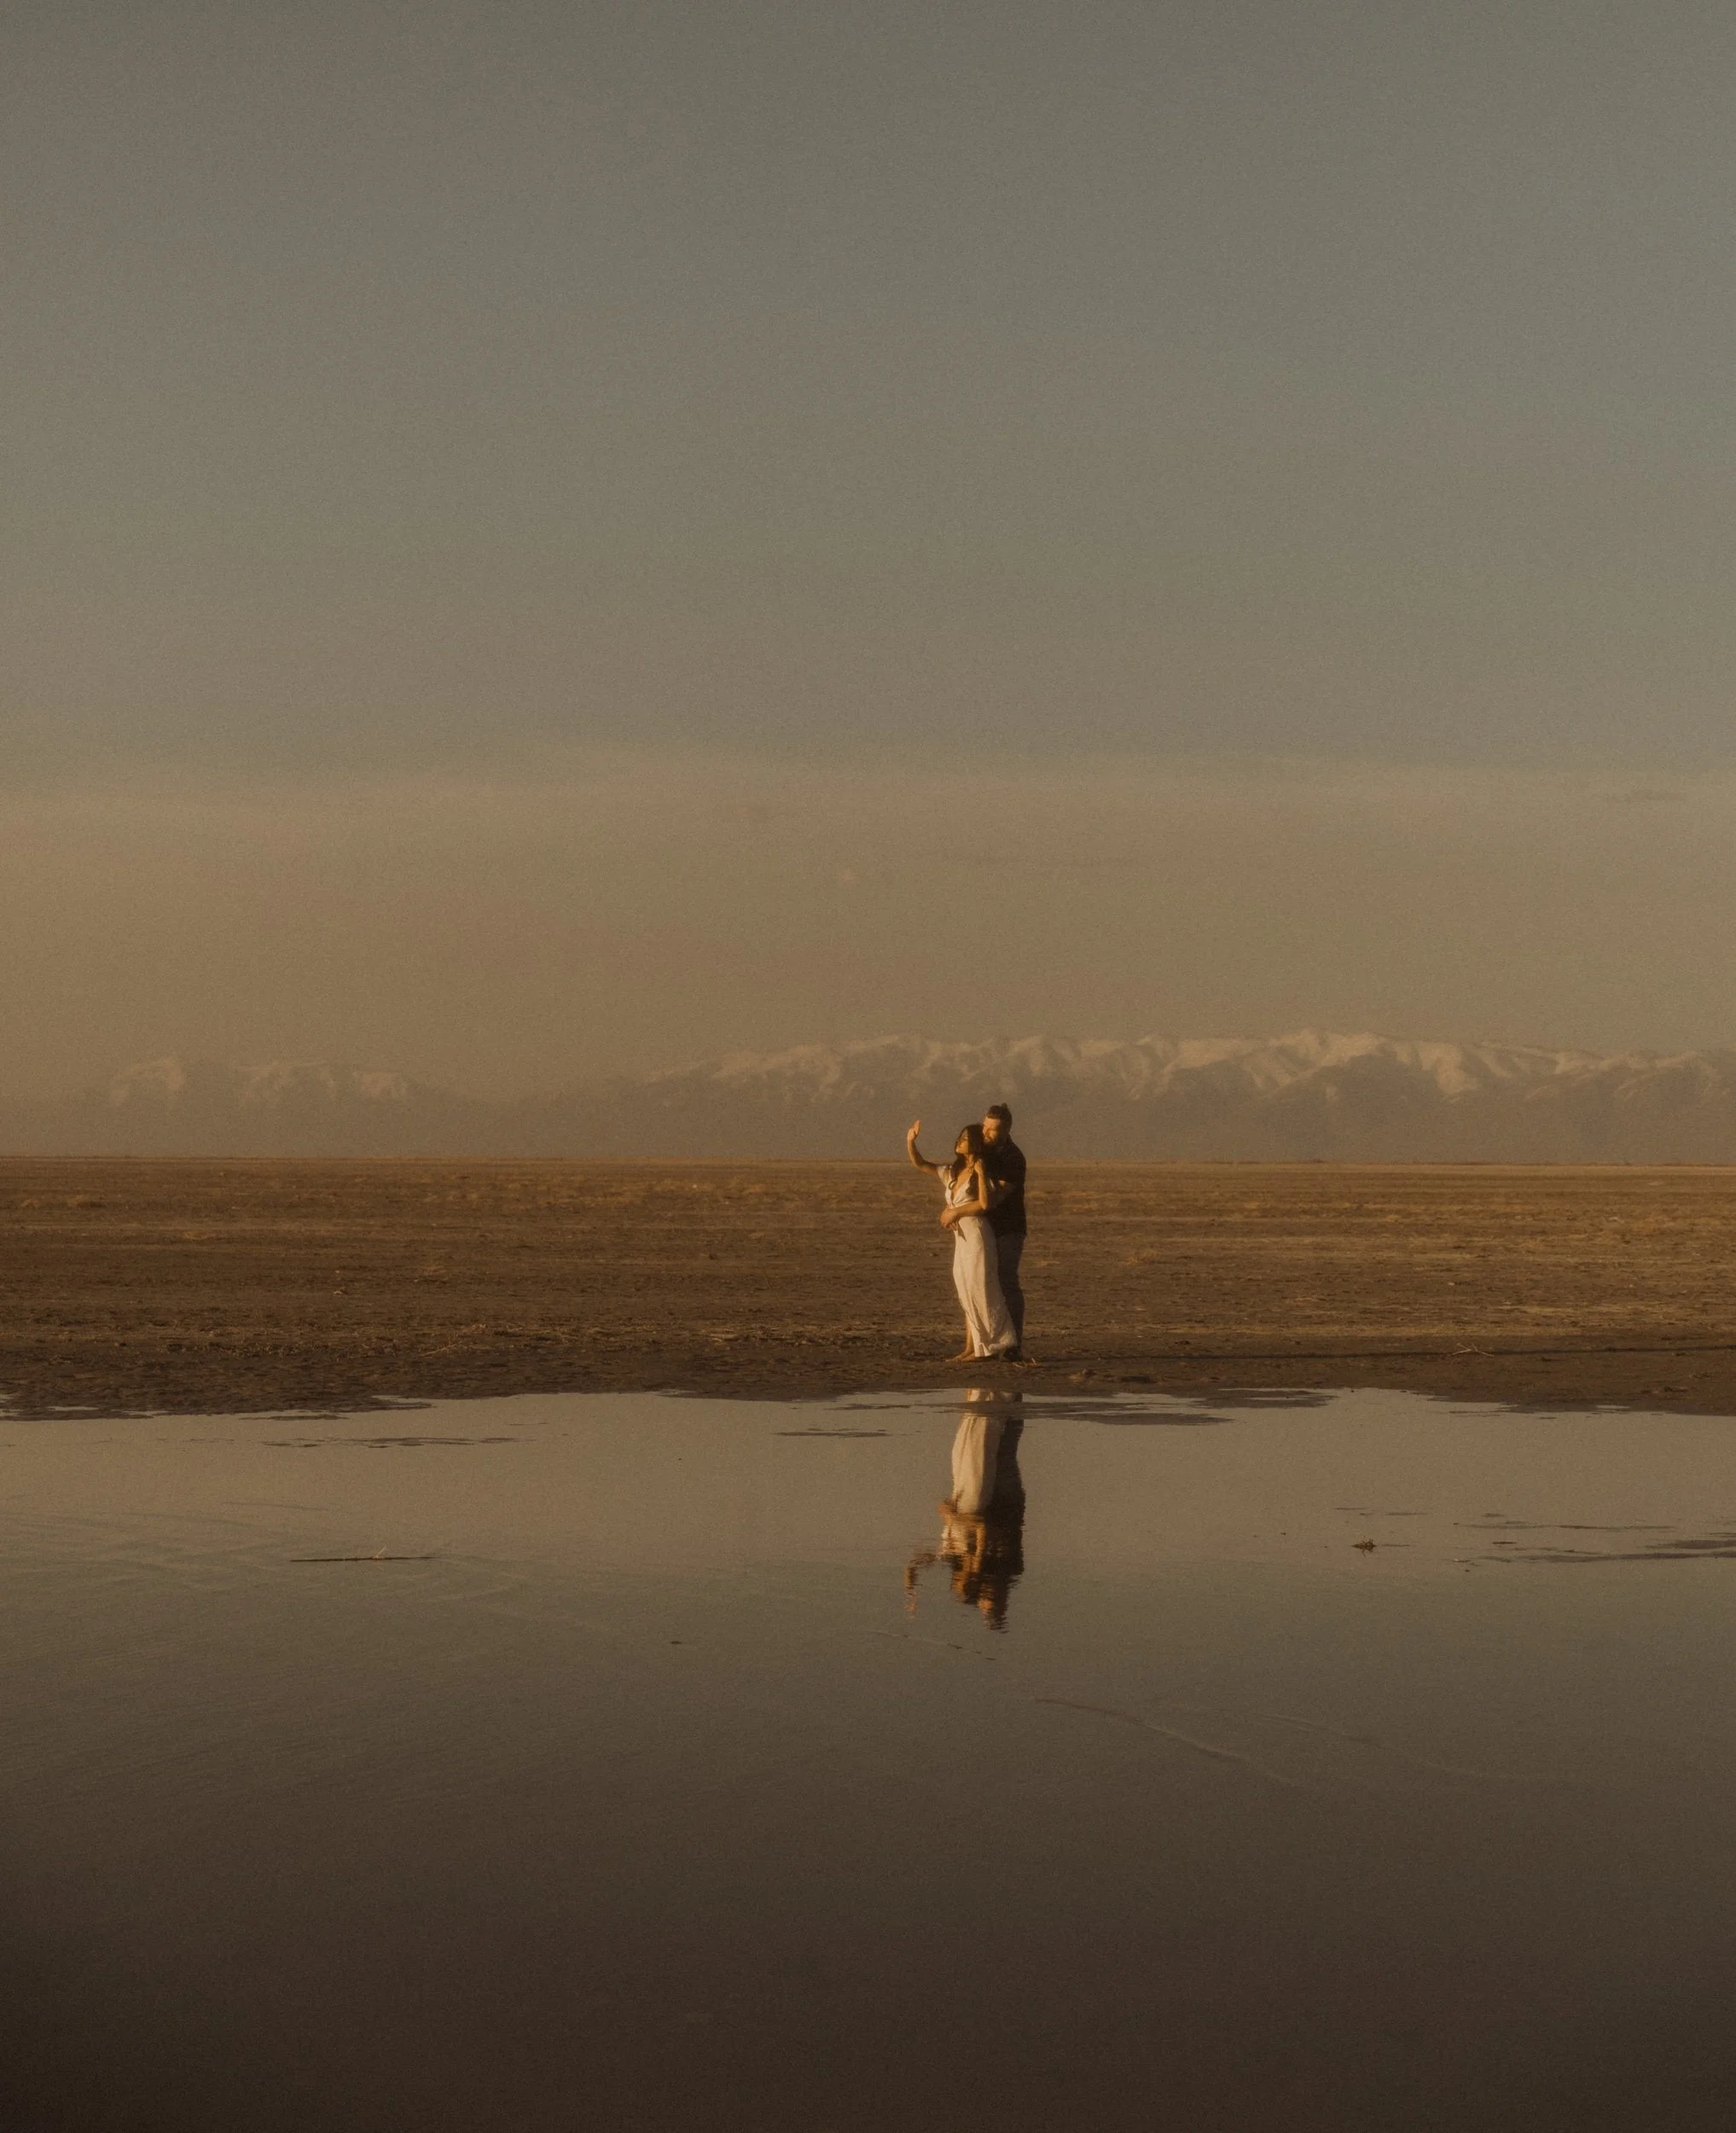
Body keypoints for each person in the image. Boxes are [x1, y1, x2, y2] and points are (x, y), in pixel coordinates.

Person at [903, 1388, 1027, 1629]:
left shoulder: (958, 1558)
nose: (989, 1592)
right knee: (987, 1446)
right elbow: (985, 1526)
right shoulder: (1003, 1567)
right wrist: (954, 1518)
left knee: (971, 1445)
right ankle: (1001, 1393)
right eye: (993, 1598)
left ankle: (985, 1394)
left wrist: (911, 1584)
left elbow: (943, 1520)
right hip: (990, 1503)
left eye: (986, 1598)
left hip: (971, 1501)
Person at [905, 1119, 1019, 1360]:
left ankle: (993, 1344)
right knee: (965, 1289)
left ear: (975, 1143)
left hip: (977, 1235)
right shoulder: (953, 1172)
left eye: (965, 1138)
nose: (959, 1141)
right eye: (960, 1137)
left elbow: (985, 1204)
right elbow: (921, 1164)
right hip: (961, 1239)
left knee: (980, 1288)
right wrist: (910, 1141)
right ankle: (971, 1347)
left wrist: (957, 1209)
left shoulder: (981, 1172)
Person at [979, 1103, 1028, 1353]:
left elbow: (993, 1200)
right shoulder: (981, 1150)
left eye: (993, 1129)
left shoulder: (1013, 1158)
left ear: (1007, 1129)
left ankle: (1014, 1343)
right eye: (985, 1127)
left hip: (1008, 1229)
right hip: (984, 1227)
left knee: (1006, 1281)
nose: (986, 1132)